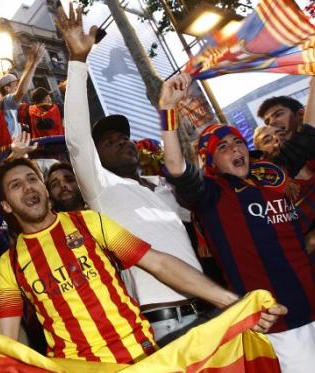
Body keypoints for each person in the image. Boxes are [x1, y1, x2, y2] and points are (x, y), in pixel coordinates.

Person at [0, 156, 285, 364]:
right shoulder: (9, 264)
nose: (28, 187)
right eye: (15, 185)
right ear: (6, 205)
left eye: (32, 179)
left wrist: (232, 302)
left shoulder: (89, 223)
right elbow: (6, 336)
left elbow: (158, 263)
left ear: (44, 189)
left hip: (144, 356)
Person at [160, 65, 315, 371]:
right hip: (281, 325)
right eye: (223, 147)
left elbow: (312, 131)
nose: (235, 149)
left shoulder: (271, 174)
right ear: (210, 161)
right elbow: (176, 167)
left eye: (238, 142)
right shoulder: (210, 195)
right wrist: (167, 109)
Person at [54, 4, 208, 341]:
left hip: (209, 311)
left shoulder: (166, 189)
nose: (122, 142)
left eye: (124, 136)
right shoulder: (100, 189)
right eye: (109, 141)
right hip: (162, 325)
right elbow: (77, 137)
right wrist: (78, 61)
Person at [254, 124, 315, 303]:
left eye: (280, 133)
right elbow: (278, 258)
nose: (277, 139)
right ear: (261, 153)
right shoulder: (271, 195)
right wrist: (314, 237)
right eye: (267, 140)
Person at [0, 44, 46, 150]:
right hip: (11, 150)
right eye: (16, 84)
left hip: (12, 148)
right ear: (7, 88)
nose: (18, 87)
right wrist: (32, 64)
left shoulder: (5, 105)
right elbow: (22, 91)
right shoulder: (6, 101)